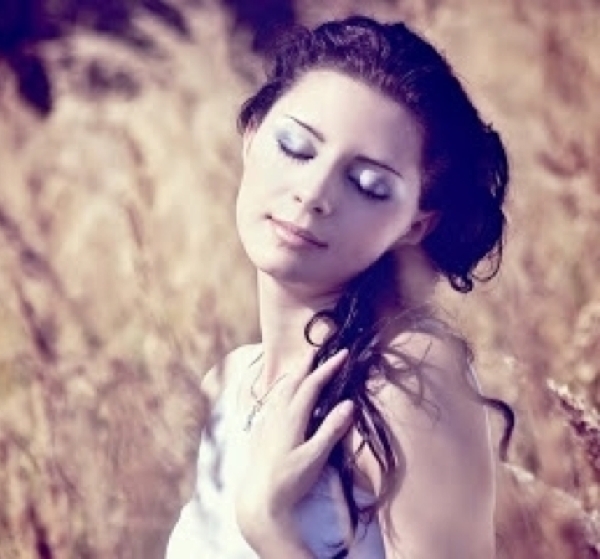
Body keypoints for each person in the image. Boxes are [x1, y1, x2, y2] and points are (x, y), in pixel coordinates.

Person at [166, 14, 514, 559]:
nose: (313, 192)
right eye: (296, 147)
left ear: (415, 225)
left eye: (368, 184)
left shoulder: (401, 378)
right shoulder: (227, 385)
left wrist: (272, 529)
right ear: (252, 135)